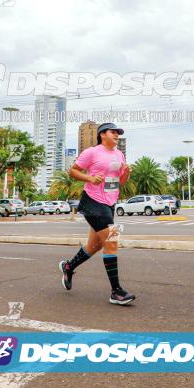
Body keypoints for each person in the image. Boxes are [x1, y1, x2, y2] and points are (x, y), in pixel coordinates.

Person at [59, 123, 134, 305]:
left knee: (94, 246)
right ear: (102, 135)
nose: (116, 135)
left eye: (118, 133)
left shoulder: (119, 154)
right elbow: (73, 171)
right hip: (93, 202)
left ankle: (68, 267)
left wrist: (126, 173)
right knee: (112, 242)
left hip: (110, 203)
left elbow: (120, 181)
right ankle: (116, 292)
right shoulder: (92, 152)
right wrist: (90, 178)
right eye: (113, 132)